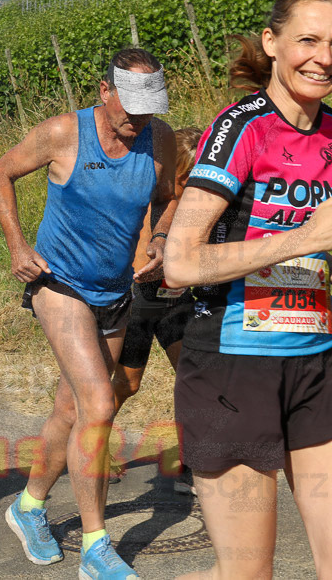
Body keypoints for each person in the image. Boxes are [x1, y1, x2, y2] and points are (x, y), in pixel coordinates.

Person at [0, 48, 177, 577]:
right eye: (129, 108)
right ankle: (96, 546)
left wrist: (159, 237)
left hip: (113, 292)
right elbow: (0, 173)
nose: (138, 120)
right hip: (58, 283)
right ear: (103, 91)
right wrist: (18, 247)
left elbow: (167, 196)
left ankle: (27, 507)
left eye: (149, 108)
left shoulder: (158, 138)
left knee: (71, 410)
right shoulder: (62, 133)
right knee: (99, 403)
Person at [166, 0, 332, 579]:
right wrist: (303, 238)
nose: (325, 57)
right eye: (309, 40)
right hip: (233, 367)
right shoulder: (244, 127)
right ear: (271, 41)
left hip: (315, 363)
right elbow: (181, 262)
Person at [109, 127, 203, 493]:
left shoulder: (202, 202)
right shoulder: (150, 198)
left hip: (176, 298)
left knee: (195, 377)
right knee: (128, 384)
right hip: (137, 297)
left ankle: (192, 460)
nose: (194, 183)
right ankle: (94, 445)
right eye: (187, 176)